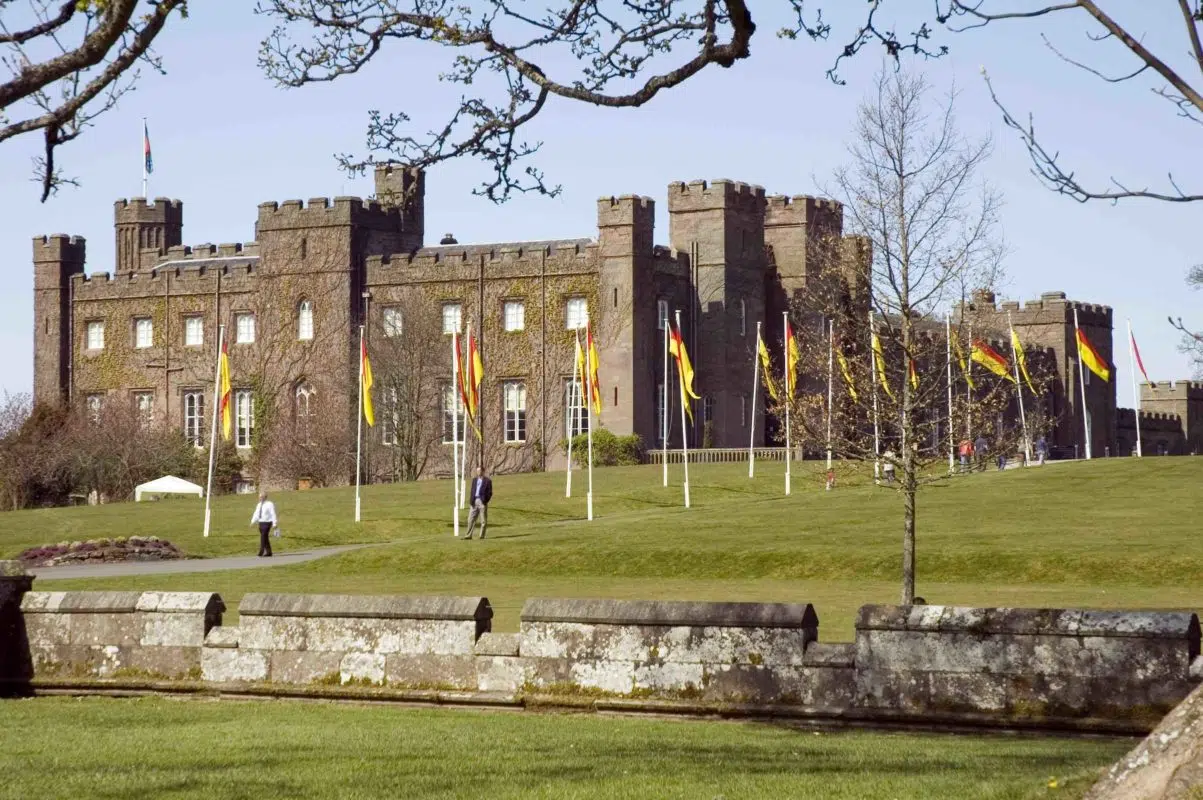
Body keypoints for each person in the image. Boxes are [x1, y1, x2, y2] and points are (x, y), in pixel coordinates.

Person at [463, 467, 493, 540]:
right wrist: (471, 500)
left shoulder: (488, 481)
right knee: (470, 519)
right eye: (477, 471)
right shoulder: (474, 480)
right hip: (474, 501)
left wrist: (485, 500)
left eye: (479, 471)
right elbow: (472, 490)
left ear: (483, 471)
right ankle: (468, 535)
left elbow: (490, 493)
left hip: (482, 502)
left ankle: (481, 536)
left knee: (483, 520)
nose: (478, 472)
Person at [250, 491, 278, 557]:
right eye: (259, 497)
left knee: (263, 536)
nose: (260, 498)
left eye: (261, 497)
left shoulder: (269, 504)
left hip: (267, 522)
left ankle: (261, 551)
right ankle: (269, 552)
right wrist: (252, 521)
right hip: (261, 522)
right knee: (265, 537)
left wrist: (274, 523)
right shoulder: (259, 505)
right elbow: (256, 513)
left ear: (265, 497)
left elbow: (273, 513)